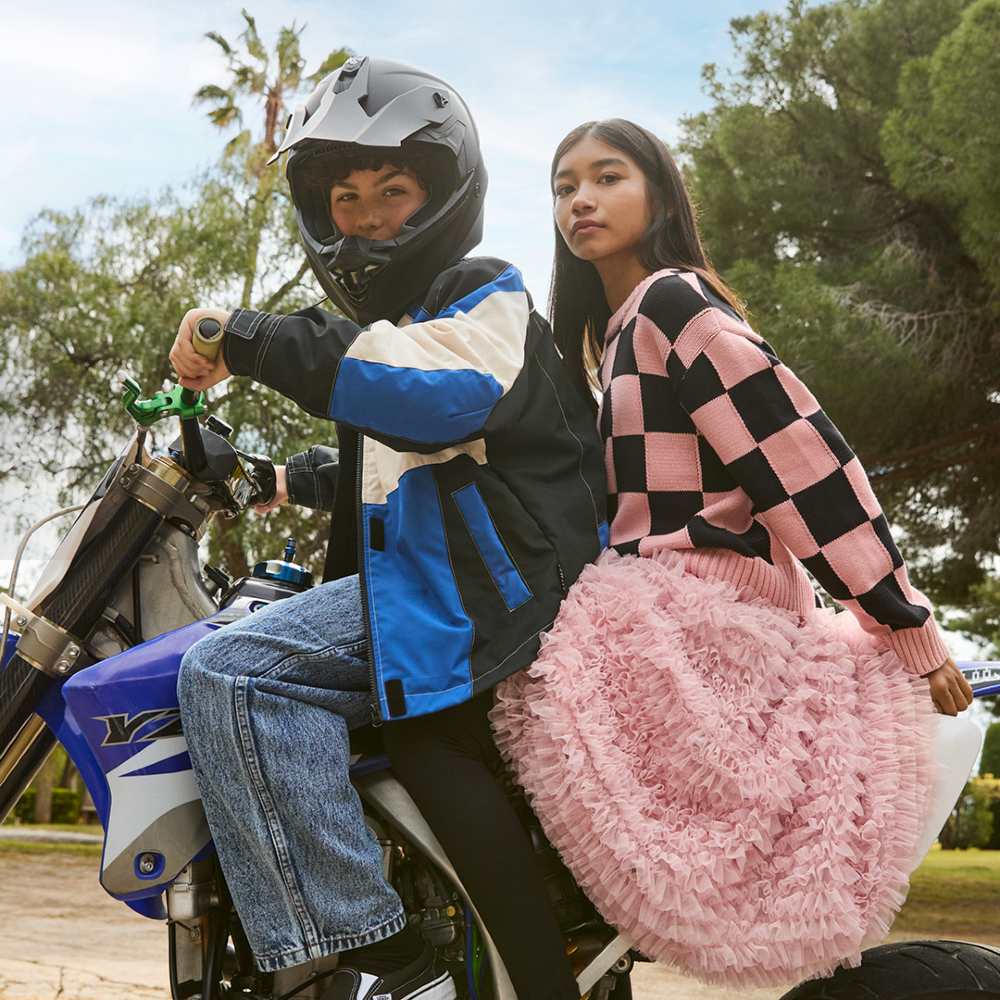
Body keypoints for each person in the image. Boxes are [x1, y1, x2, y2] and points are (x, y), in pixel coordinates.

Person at [489, 119, 976, 989]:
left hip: (704, 610)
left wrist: (902, 620)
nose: (582, 200)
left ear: (660, 195)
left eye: (608, 178)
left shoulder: (676, 305)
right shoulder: (616, 336)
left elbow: (804, 462)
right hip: (664, 605)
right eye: (565, 186)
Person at [169, 58, 604, 1000]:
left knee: (235, 674)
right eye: (346, 197)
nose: (363, 218)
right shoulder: (406, 326)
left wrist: (237, 334)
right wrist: (276, 477)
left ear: (444, 195)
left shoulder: (484, 292)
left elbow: (433, 402)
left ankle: (375, 951)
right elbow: (401, 471)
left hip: (506, 596)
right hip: (460, 580)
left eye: (392, 191)